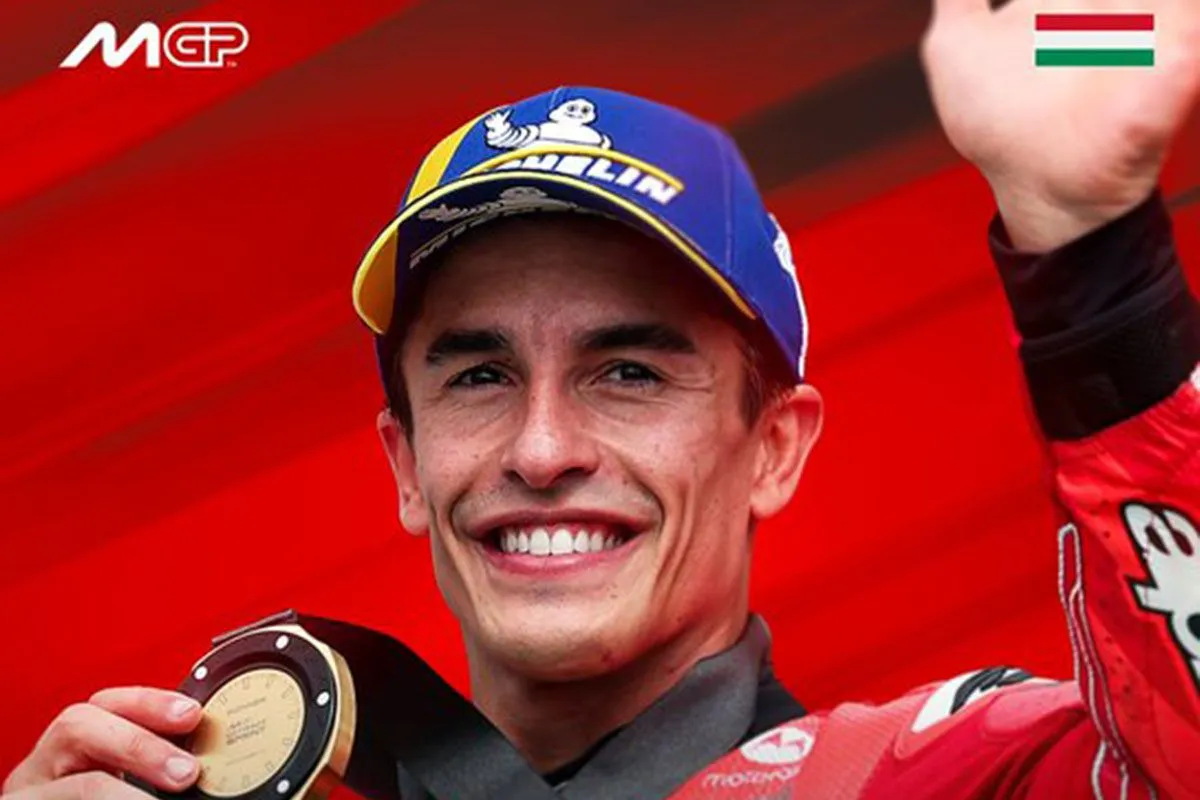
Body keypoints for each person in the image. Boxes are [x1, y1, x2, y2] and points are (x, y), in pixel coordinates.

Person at [5, 0, 1199, 797]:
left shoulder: (940, 772)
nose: (541, 446)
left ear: (774, 446)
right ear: (405, 462)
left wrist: (1091, 253)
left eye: (628, 370)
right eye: (480, 374)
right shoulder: (239, 774)